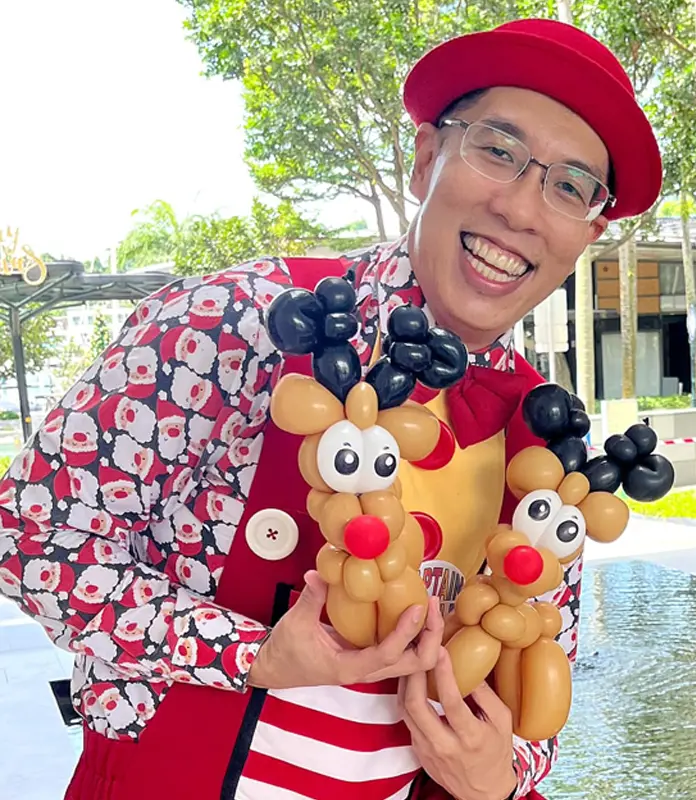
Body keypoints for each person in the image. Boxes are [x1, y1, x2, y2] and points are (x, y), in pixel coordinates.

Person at [0, 17, 661, 800]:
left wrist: (502, 775)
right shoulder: (235, 319)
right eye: (497, 151)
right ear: (425, 158)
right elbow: (29, 538)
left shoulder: (550, 439)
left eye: (570, 187)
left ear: (588, 232)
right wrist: (249, 653)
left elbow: (541, 669)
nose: (522, 210)